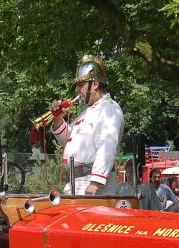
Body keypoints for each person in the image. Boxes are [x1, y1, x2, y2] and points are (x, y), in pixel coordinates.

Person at [50, 55, 125, 195]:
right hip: (78, 182)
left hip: (94, 185)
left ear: (95, 84)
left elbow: (106, 146)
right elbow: (67, 140)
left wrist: (95, 183)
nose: (77, 90)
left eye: (80, 85)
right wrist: (57, 120)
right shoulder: (88, 112)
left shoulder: (109, 109)